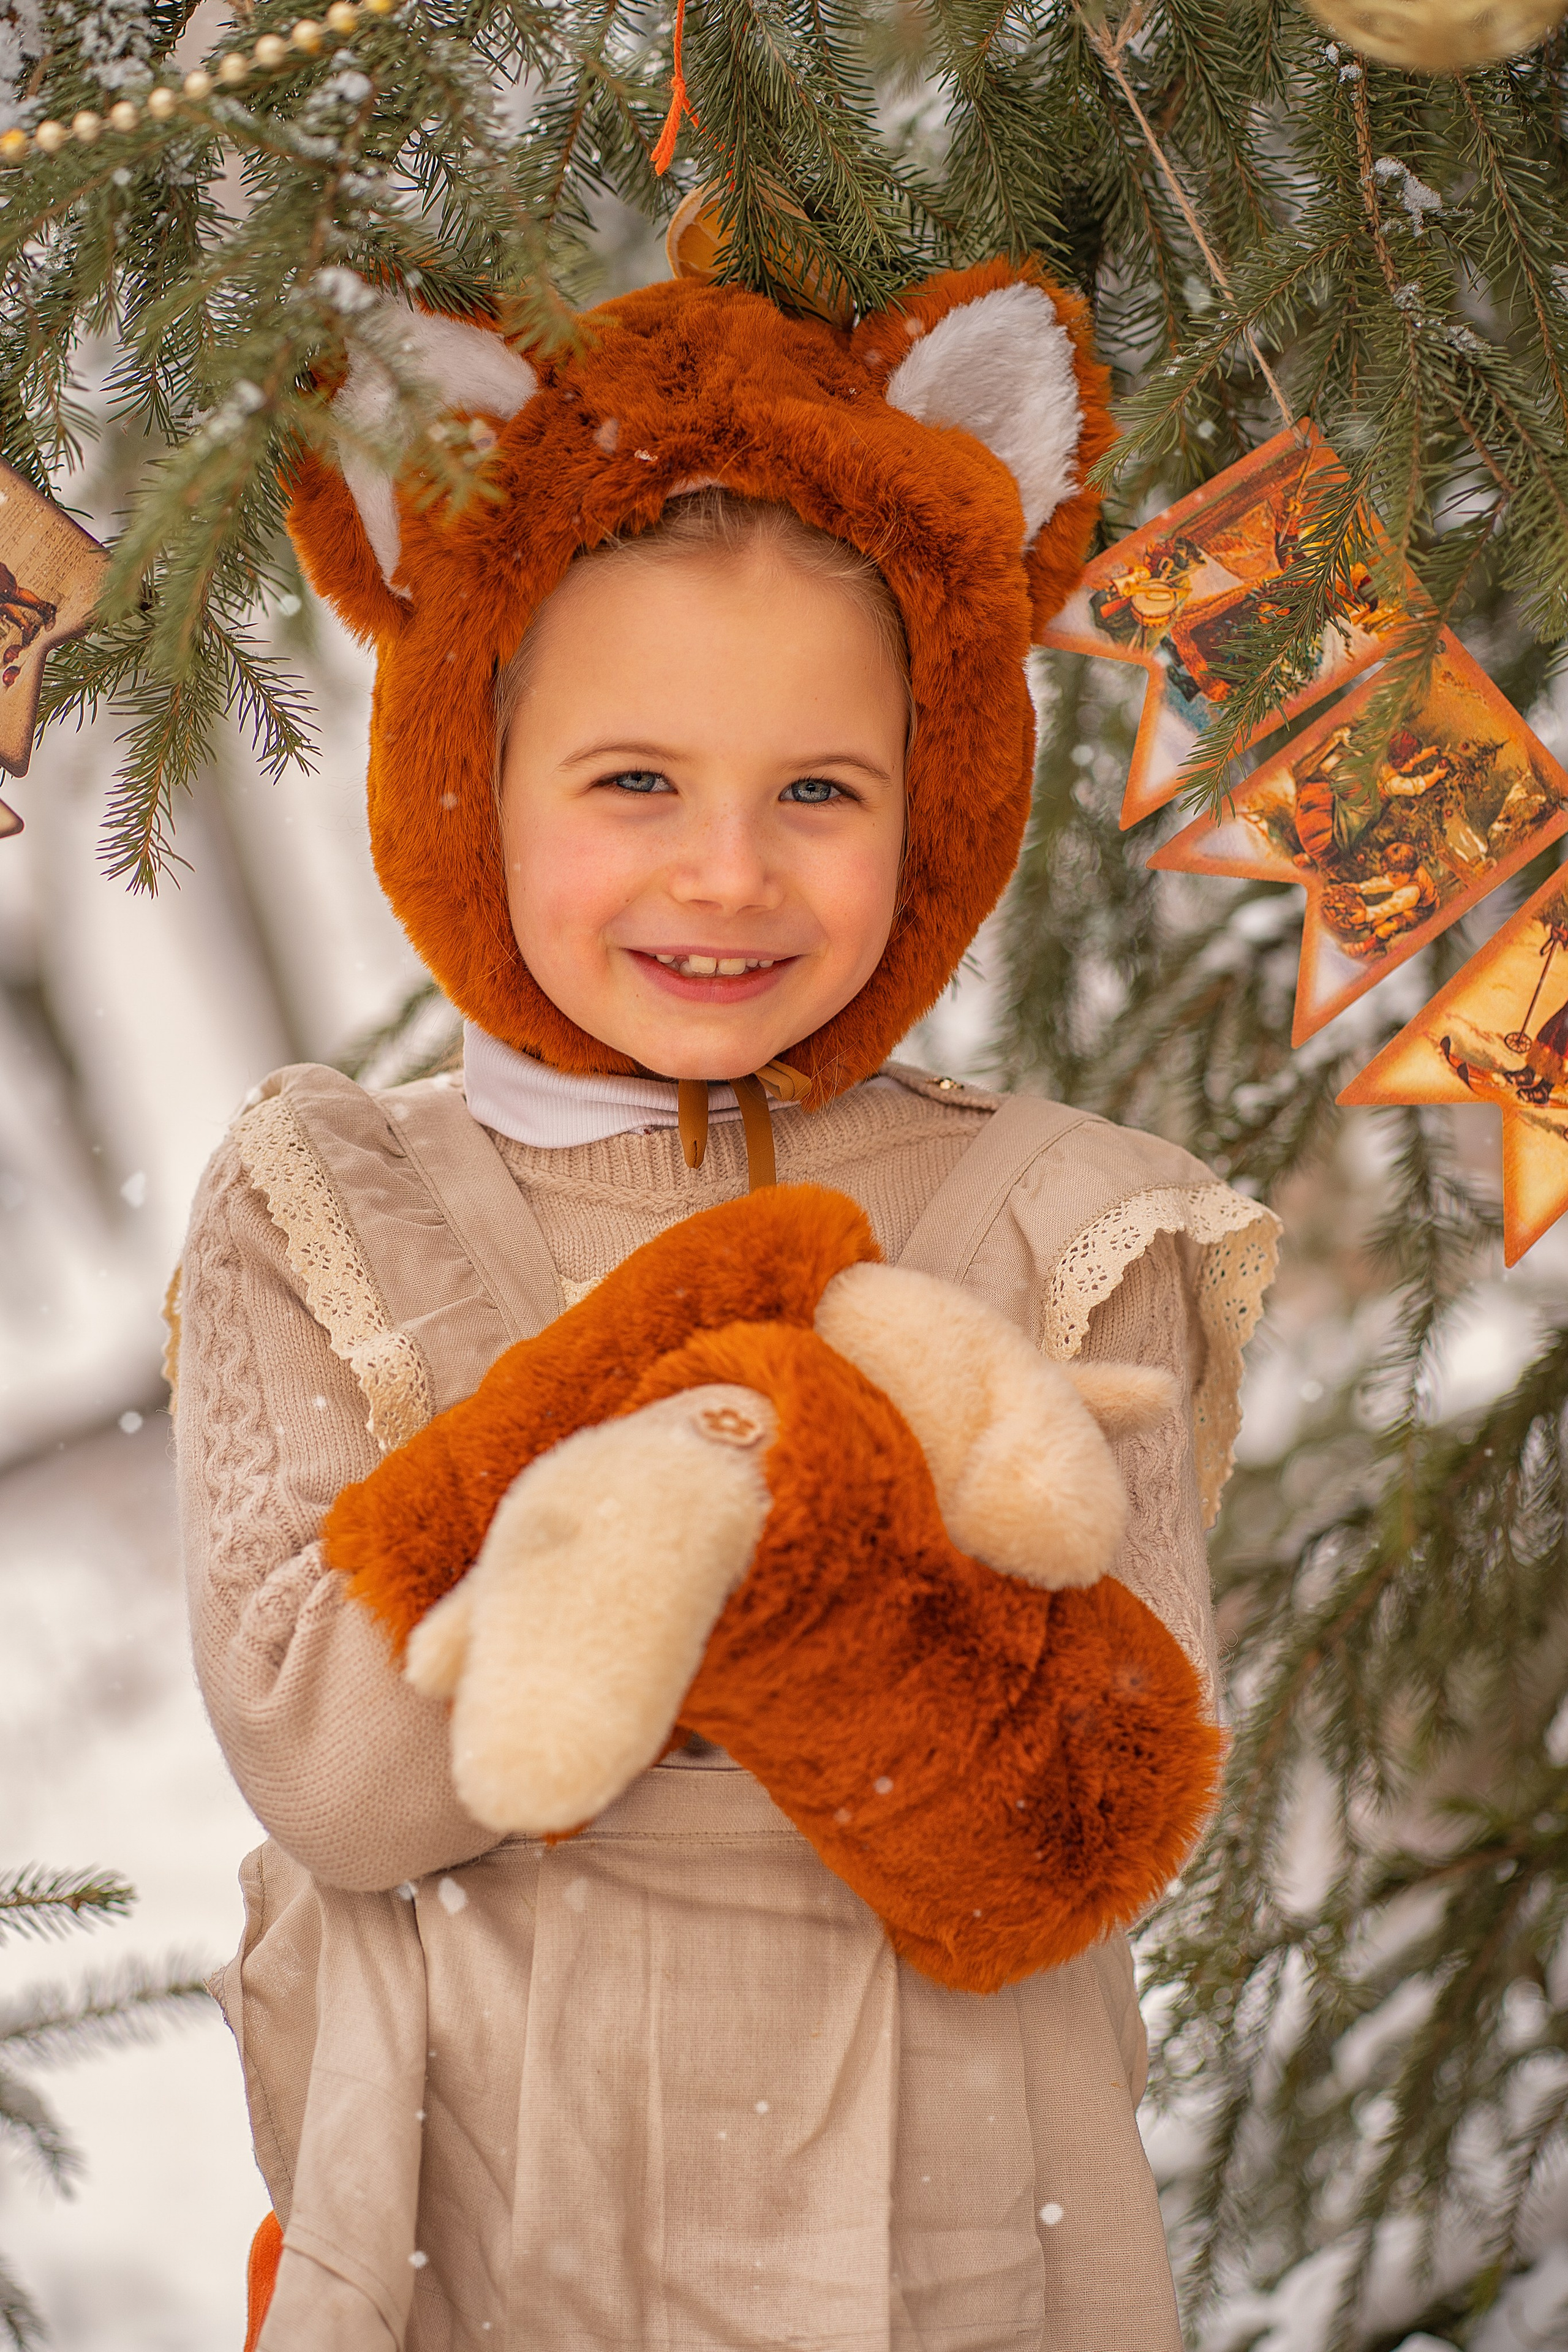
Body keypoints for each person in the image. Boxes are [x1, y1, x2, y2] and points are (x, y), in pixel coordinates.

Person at [172, 252, 1281, 2352]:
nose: (727, 875)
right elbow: (346, 1776)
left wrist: (765, 1522)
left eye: (820, 793)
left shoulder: (1064, 1221)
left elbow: (1068, 1824)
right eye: (633, 782)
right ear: (468, 773)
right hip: (489, 2241)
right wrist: (708, 1381)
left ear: (936, 792)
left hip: (952, 2257)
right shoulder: (330, 1208)